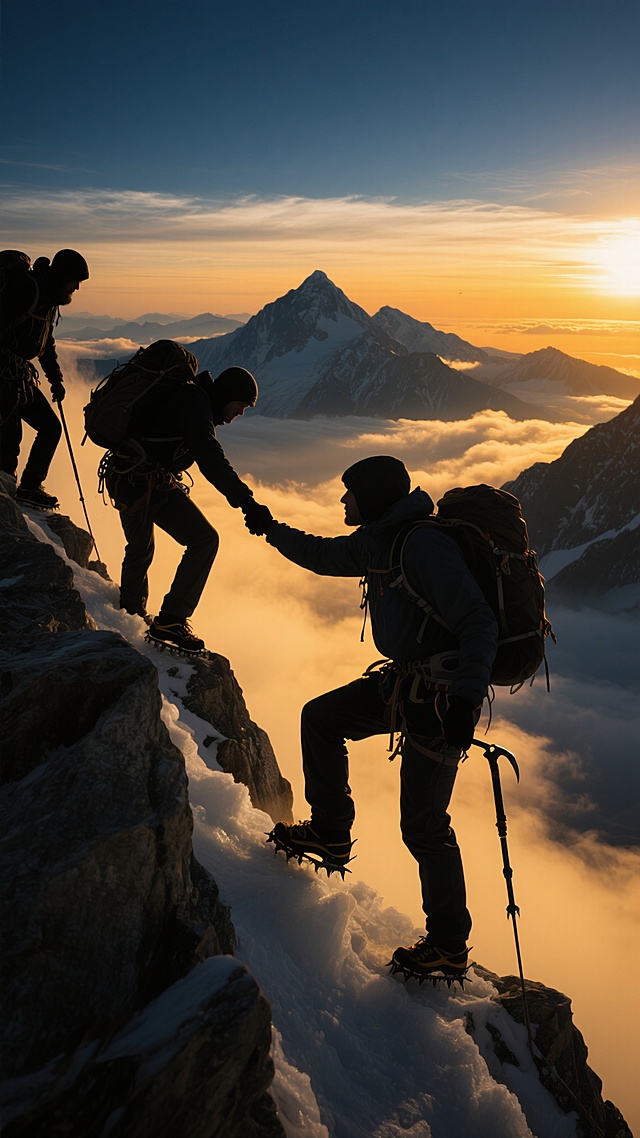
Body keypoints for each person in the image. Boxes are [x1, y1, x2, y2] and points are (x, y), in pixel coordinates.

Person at [248, 455, 498, 981]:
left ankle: (450, 944)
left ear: (376, 497)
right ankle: (332, 831)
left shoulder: (420, 545)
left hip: (439, 697)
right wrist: (270, 528)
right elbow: (321, 555)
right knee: (321, 717)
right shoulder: (380, 542)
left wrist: (466, 701)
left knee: (424, 825)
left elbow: (477, 620)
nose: (343, 500)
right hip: (407, 683)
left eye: (351, 492)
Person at [105, 362, 272, 654]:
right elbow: (211, 459)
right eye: (241, 405)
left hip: (127, 476)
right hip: (144, 482)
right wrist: (247, 502)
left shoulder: (193, 399)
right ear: (228, 394)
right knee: (204, 540)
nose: (241, 412)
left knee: (140, 548)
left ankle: (129, 616)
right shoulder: (195, 404)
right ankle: (171, 620)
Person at [0, 249, 89, 509]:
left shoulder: (47, 299)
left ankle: (28, 487)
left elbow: (44, 343)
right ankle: (7, 504)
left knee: (50, 427)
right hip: (5, 376)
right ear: (63, 276)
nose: (77, 288)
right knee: (9, 439)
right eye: (76, 281)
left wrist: (56, 380)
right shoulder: (28, 290)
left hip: (16, 376)